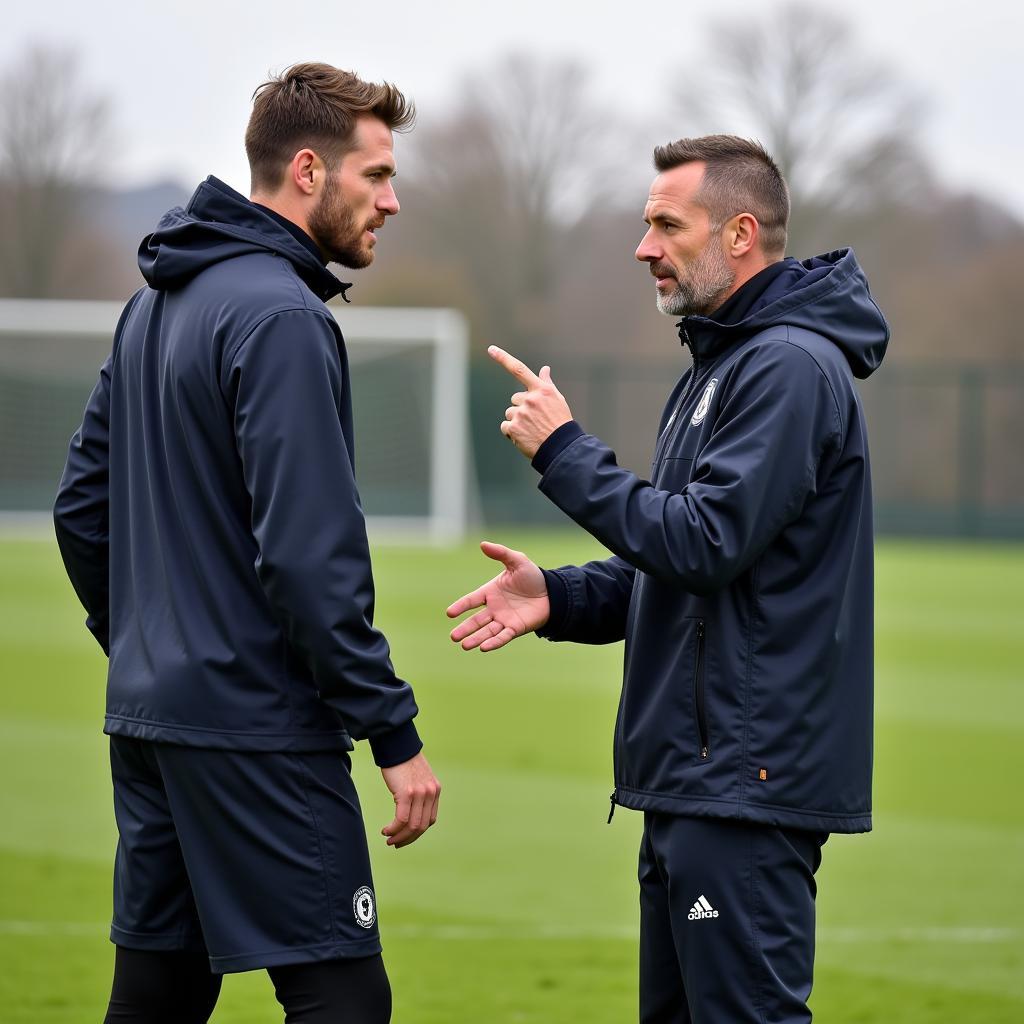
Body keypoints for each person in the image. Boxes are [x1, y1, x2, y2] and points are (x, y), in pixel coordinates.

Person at [447, 135, 887, 1023]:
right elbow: (683, 563)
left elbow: (702, 543)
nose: (644, 247)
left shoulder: (788, 368)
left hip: (742, 786)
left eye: (665, 225)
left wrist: (565, 452)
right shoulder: (719, 365)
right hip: (697, 781)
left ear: (740, 233)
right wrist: (561, 596)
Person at [54, 62, 440, 1024]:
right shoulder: (280, 316)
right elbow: (310, 559)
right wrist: (391, 730)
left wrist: (150, 642)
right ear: (308, 171)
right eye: (377, 175)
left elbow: (79, 510)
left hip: (153, 719)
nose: (392, 200)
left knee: (157, 997)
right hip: (253, 728)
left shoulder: (153, 306)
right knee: (343, 999)